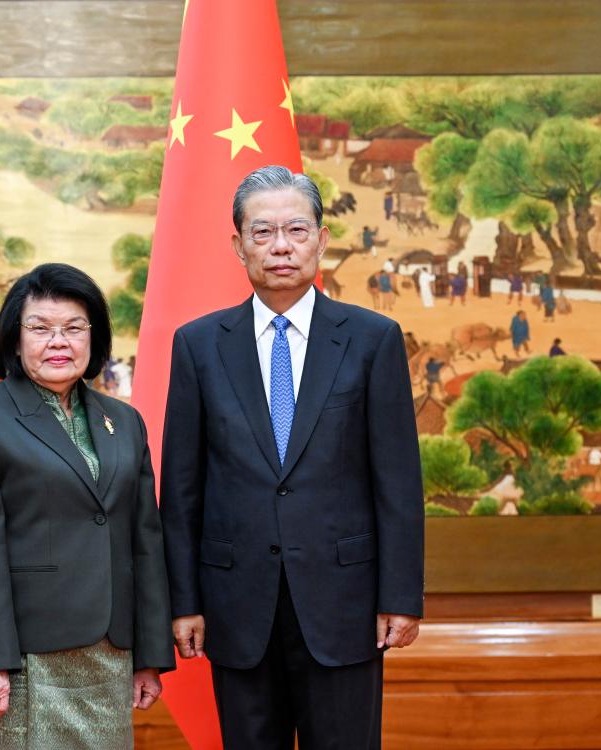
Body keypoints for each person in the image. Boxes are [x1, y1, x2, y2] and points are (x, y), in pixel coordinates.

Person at [160, 167, 424, 750]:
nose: (281, 246)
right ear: (238, 246)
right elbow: (181, 490)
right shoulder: (199, 346)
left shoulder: (372, 338)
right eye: (263, 232)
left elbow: (398, 482)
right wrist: (184, 602)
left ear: (322, 240)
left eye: (296, 230)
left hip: (345, 604)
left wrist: (400, 596)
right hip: (235, 606)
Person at [0, 263, 175, 750]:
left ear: (94, 338)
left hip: (109, 653)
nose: (58, 342)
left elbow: (144, 540)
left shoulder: (124, 422)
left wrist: (149, 653)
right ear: (15, 338)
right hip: (24, 658)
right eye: (40, 329)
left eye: (73, 328)